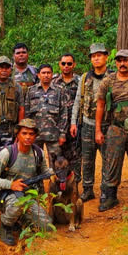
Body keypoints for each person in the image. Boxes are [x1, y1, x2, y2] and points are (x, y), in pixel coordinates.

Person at [0, 119, 54, 245]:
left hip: (27, 195)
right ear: (18, 134)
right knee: (18, 203)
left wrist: (57, 173)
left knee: (47, 226)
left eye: (31, 134)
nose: (28, 137)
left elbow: (45, 173)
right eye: (24, 133)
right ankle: (5, 227)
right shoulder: (7, 153)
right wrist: (11, 184)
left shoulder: (38, 153)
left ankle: (21, 220)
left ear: (35, 136)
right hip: (4, 196)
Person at [95, 49, 128, 211]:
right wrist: (98, 130)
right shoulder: (108, 81)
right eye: (119, 60)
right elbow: (100, 105)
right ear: (115, 62)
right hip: (115, 128)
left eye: (125, 60)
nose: (122, 63)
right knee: (112, 163)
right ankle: (111, 197)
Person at [71, 43, 112, 202]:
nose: (96, 58)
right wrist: (74, 122)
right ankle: (87, 189)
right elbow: (77, 101)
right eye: (93, 56)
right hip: (87, 124)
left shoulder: (112, 77)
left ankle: (105, 191)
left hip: (106, 125)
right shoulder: (84, 78)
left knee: (107, 160)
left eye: (99, 55)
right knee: (87, 160)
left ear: (106, 57)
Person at [25, 64, 69, 164]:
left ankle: (54, 180)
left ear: (52, 74)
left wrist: (62, 134)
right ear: (38, 75)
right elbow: (27, 114)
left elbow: (64, 114)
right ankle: (37, 180)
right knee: (35, 161)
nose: (46, 75)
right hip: (35, 135)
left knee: (56, 163)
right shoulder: (31, 91)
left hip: (54, 134)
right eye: (43, 73)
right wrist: (27, 132)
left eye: (48, 73)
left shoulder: (59, 91)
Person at [52, 53, 82, 186]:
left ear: (74, 65)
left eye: (69, 63)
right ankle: (58, 184)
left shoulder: (80, 82)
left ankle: (74, 185)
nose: (66, 66)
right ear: (59, 64)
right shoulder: (53, 82)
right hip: (58, 126)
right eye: (63, 63)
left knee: (75, 156)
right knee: (57, 156)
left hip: (75, 125)